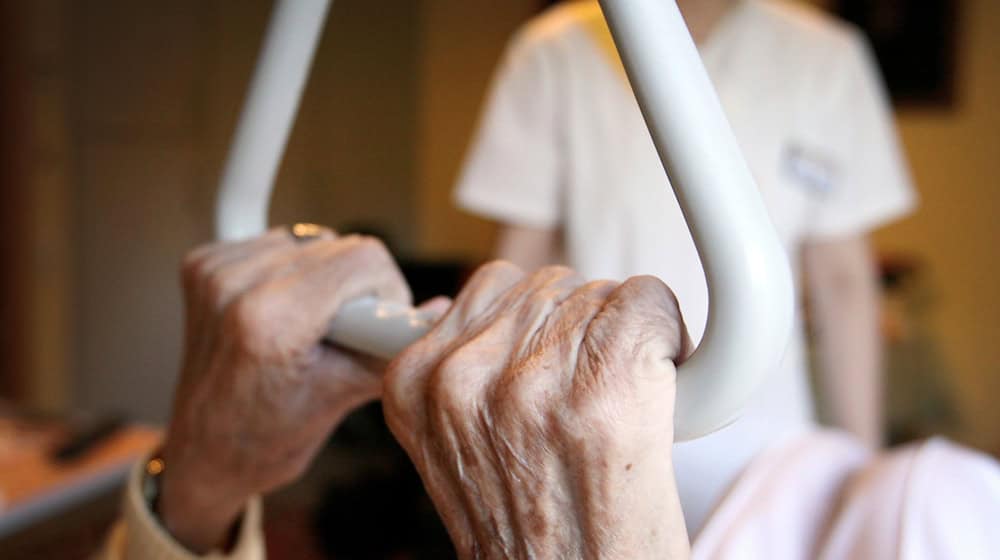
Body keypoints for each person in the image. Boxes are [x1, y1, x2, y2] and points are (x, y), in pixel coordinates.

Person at [98, 228, 999, 559]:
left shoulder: (921, 506)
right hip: (587, 389)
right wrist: (200, 489)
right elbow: (520, 245)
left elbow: (840, 283)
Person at [453, 0, 917, 531]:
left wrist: (865, 478)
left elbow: (843, 282)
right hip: (597, 428)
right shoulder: (554, 51)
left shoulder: (827, 57)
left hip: (772, 451)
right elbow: (517, 263)